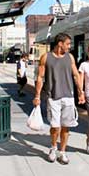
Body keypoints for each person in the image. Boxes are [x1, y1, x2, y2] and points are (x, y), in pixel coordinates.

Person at [33, 33, 85, 165]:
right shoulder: (46, 57)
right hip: (53, 97)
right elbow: (40, 77)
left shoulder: (70, 57)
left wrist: (81, 92)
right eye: (68, 44)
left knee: (66, 126)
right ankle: (53, 147)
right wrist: (37, 96)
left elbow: (76, 75)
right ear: (60, 44)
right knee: (55, 126)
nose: (69, 46)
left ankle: (62, 151)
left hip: (68, 97)